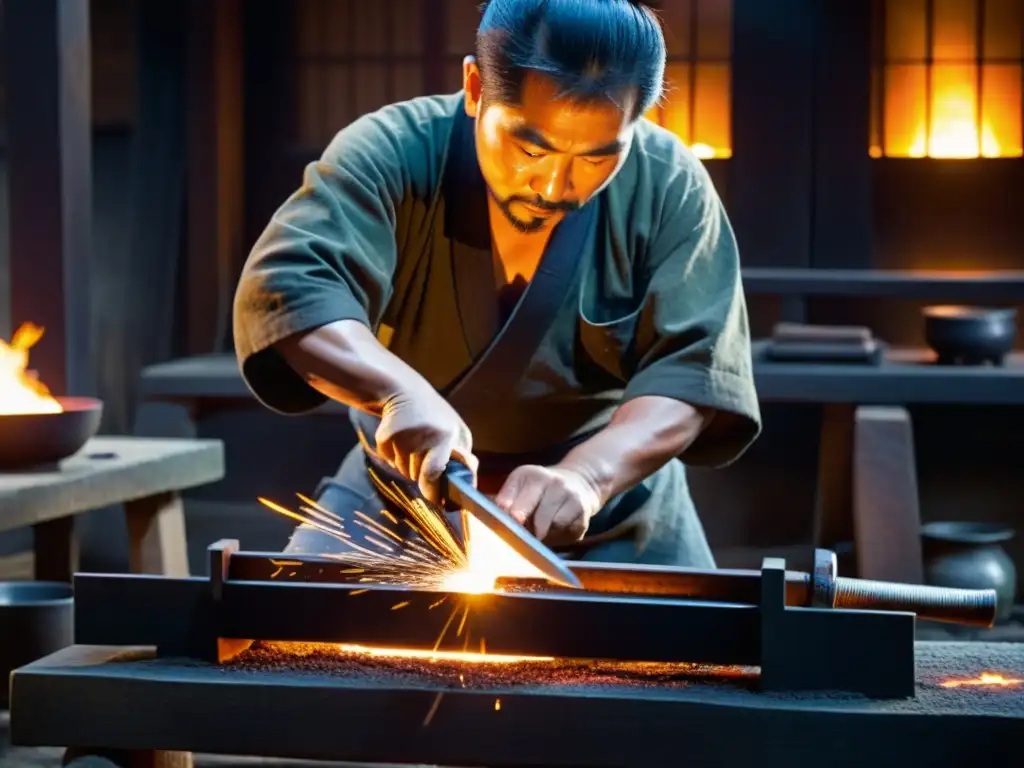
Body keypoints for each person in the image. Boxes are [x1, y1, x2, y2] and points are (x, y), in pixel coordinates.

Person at [233, 0, 761, 569]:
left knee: (699, 653)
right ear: (476, 86)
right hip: (403, 499)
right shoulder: (392, 152)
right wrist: (396, 392)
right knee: (285, 640)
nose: (556, 185)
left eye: (597, 158)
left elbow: (694, 368)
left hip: (609, 507)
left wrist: (588, 475)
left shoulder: (668, 183)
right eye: (530, 148)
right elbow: (292, 289)